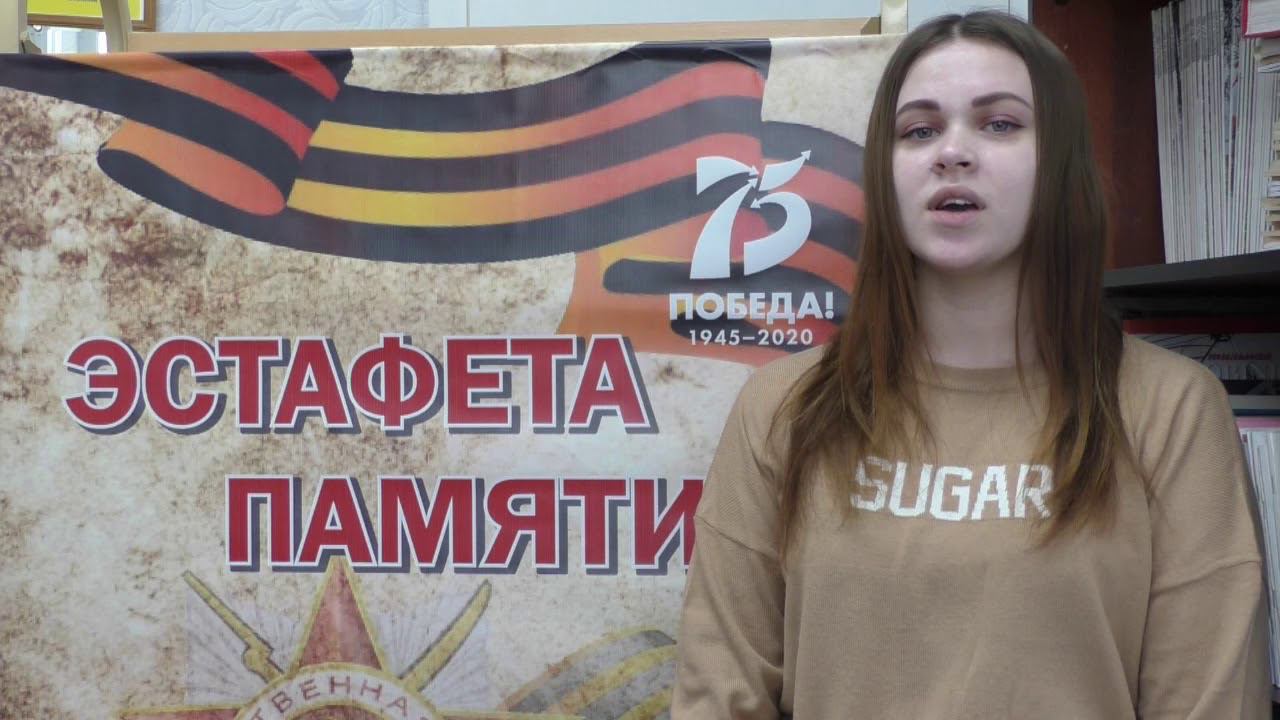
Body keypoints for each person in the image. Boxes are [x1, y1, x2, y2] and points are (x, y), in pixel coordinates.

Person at [672, 10, 1270, 719]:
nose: (952, 153)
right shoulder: (782, 407)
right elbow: (719, 695)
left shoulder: (1171, 408)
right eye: (919, 131)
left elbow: (1209, 701)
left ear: (1062, 163)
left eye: (1000, 124)